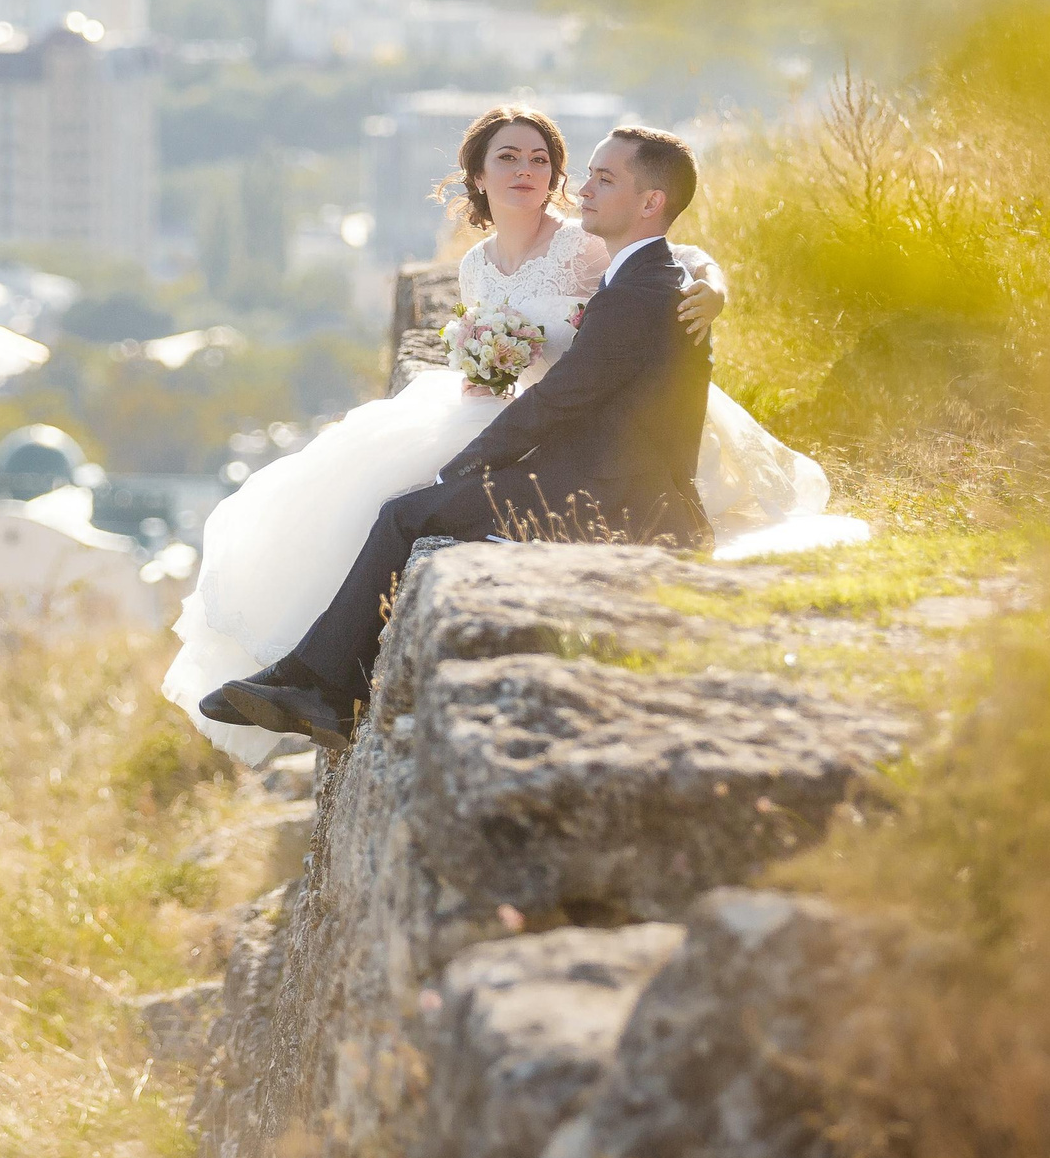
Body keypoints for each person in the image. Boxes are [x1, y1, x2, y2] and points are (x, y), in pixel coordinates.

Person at [186, 124, 730, 753]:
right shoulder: (636, 275)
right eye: (588, 175)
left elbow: (559, 397)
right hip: (588, 464)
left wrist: (465, 465)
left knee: (405, 515)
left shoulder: (642, 287)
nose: (584, 189)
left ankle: (322, 688)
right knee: (403, 509)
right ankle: (310, 680)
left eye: (604, 179)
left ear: (651, 201)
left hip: (612, 494)